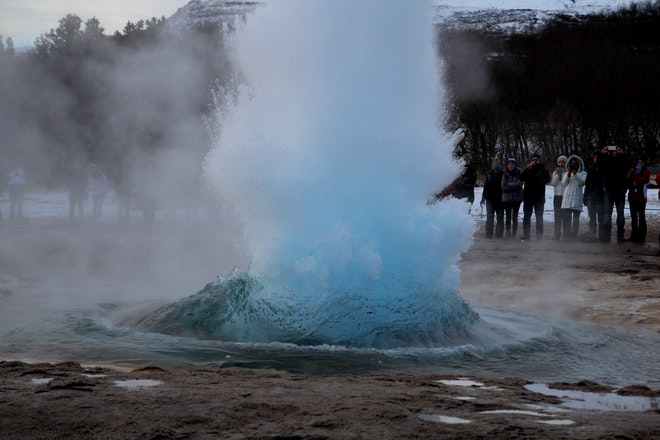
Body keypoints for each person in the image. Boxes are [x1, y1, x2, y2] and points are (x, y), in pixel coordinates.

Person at [600, 145, 629, 242]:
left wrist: (621, 155)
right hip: (612, 191)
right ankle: (610, 235)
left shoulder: (618, 161)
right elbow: (602, 166)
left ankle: (617, 235)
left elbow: (627, 165)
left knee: (616, 214)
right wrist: (603, 155)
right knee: (610, 215)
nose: (614, 152)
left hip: (617, 191)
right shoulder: (609, 161)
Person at [519, 153, 550, 241]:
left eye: (536, 160)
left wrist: (539, 171)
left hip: (539, 198)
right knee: (526, 218)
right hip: (528, 198)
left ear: (539, 161)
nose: (534, 162)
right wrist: (526, 169)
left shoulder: (544, 170)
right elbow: (521, 178)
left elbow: (547, 179)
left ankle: (539, 236)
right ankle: (526, 236)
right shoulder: (528, 170)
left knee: (539, 218)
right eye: (532, 160)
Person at [560, 155, 587, 238]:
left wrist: (575, 174)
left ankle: (574, 235)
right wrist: (568, 174)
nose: (573, 165)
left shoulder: (583, 173)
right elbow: (563, 184)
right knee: (567, 218)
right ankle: (566, 234)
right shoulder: (567, 172)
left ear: (579, 164)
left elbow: (582, 183)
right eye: (572, 164)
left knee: (576, 219)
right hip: (567, 199)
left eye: (575, 164)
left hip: (577, 198)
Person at [626, 158, 651, 243]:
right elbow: (628, 180)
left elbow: (641, 180)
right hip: (632, 197)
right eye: (638, 162)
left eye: (641, 162)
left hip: (640, 198)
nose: (640, 164)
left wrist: (635, 179)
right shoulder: (633, 171)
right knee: (633, 217)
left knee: (641, 216)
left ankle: (641, 235)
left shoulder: (646, 172)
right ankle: (634, 235)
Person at [583, 150, 605, 239]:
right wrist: (585, 195)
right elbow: (587, 184)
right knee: (592, 218)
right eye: (594, 157)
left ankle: (602, 235)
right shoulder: (591, 169)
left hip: (601, 196)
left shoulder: (603, 169)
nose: (595, 159)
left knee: (601, 218)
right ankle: (592, 235)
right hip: (591, 196)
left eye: (597, 157)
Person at [480, 156, 504, 238]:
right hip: (490, 200)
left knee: (500, 218)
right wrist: (483, 199)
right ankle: (488, 235)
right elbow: (485, 188)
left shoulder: (503, 175)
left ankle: (499, 235)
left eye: (497, 169)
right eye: (494, 169)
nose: (496, 171)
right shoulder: (489, 176)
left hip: (500, 201)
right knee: (489, 218)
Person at [500, 157, 523, 238]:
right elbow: (503, 186)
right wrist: (513, 186)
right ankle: (508, 232)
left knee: (515, 216)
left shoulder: (519, 172)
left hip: (517, 198)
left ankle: (514, 233)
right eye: (509, 164)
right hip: (507, 199)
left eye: (512, 164)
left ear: (515, 165)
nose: (510, 166)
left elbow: (519, 184)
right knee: (508, 216)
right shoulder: (505, 173)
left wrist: (509, 185)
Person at [549, 155, 569, 240]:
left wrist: (564, 173)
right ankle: (557, 235)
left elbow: (567, 183)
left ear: (566, 163)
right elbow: (553, 184)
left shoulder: (568, 172)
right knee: (557, 217)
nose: (561, 163)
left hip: (566, 196)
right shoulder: (555, 172)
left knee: (566, 217)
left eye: (563, 162)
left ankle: (566, 235)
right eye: (560, 162)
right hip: (557, 197)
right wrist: (557, 175)